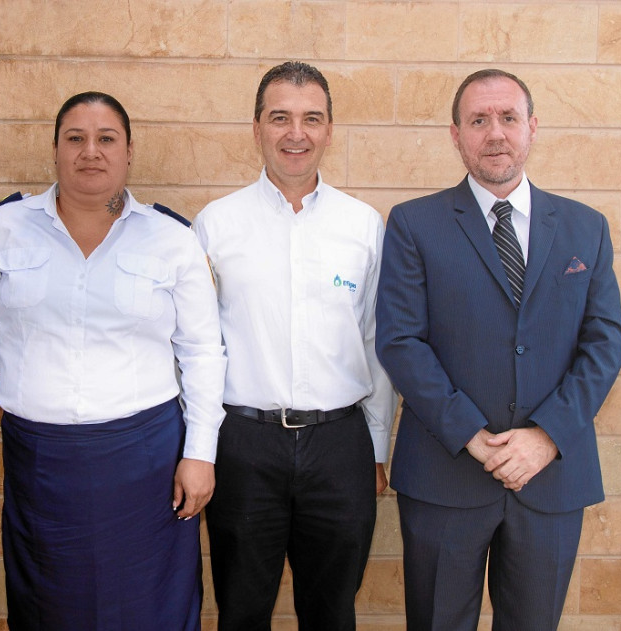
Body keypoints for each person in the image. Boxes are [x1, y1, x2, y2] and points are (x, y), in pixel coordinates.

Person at [0, 91, 225, 631]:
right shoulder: (4, 230)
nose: (90, 152)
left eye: (105, 139)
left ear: (128, 152)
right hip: (43, 463)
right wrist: (23, 369)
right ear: (55, 149)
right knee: (52, 606)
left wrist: (201, 453)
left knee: (148, 607)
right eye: (76, 138)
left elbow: (202, 351)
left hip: (147, 459)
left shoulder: (171, 239)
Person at [376, 69, 621, 630]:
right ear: (456, 134)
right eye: (479, 120)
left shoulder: (587, 228)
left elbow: (605, 342)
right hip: (446, 476)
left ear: (532, 127)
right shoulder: (415, 225)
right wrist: (473, 437)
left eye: (509, 118)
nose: (495, 133)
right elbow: (400, 340)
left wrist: (545, 438)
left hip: (551, 479)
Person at [192, 61, 396, 630]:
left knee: (332, 613)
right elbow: (197, 348)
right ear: (256, 127)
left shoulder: (363, 226)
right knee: (241, 611)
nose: (295, 133)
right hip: (244, 448)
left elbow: (377, 341)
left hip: (341, 447)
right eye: (280, 117)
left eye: (311, 118)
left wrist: (377, 447)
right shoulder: (215, 225)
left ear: (330, 130)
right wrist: (201, 447)